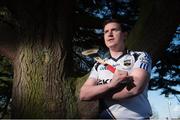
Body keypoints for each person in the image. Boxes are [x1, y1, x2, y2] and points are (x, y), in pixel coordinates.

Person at [79, 19, 152, 119]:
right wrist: (110, 85)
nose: (109, 34)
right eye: (106, 32)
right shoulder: (98, 65)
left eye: (114, 30)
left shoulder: (140, 56)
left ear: (124, 35)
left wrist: (98, 93)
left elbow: (134, 89)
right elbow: (84, 94)